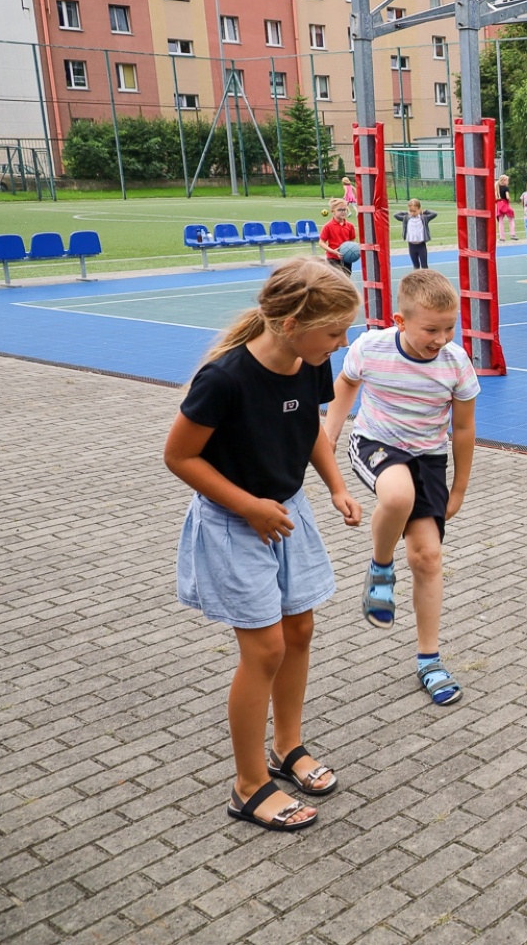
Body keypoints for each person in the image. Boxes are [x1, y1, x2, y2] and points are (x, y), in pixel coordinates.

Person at [163, 257, 364, 832]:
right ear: (291, 321)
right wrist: (248, 506)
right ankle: (249, 785)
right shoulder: (225, 379)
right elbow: (179, 457)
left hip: (286, 512)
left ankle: (288, 747)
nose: (342, 343)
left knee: (300, 630)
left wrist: (337, 486)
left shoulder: (310, 360)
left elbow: (311, 432)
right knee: (265, 649)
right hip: (235, 521)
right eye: (334, 331)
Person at [324, 270, 478, 706]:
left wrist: (459, 488)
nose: (441, 338)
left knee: (428, 557)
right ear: (400, 320)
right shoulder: (369, 348)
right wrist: (329, 436)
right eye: (431, 329)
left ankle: (429, 659)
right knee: (396, 495)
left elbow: (463, 429)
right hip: (375, 443)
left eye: (450, 327)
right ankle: (380, 567)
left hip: (429, 458)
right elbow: (346, 385)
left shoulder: (455, 363)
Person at [393, 199, 437, 270]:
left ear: (419, 209)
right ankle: (416, 280)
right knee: (416, 266)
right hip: (412, 246)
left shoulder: (424, 218)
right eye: (411, 211)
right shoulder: (406, 218)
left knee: (424, 266)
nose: (413, 213)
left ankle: (425, 280)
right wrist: (407, 213)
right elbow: (395, 215)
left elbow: (434, 213)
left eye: (415, 211)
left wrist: (424, 211)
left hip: (421, 245)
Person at [320, 199, 357, 276]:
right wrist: (333, 251)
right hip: (333, 259)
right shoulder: (328, 226)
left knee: (346, 278)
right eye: (340, 210)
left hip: (347, 258)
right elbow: (321, 242)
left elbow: (352, 240)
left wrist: (353, 250)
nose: (343, 211)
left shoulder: (350, 226)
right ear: (332, 211)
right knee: (335, 280)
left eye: (345, 209)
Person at [495, 174, 517, 241]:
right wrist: (509, 199)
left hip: (499, 204)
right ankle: (512, 234)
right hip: (504, 204)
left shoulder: (497, 188)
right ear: (504, 181)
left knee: (500, 221)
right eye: (507, 181)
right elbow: (507, 197)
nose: (508, 182)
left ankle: (502, 237)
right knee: (511, 218)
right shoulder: (505, 188)